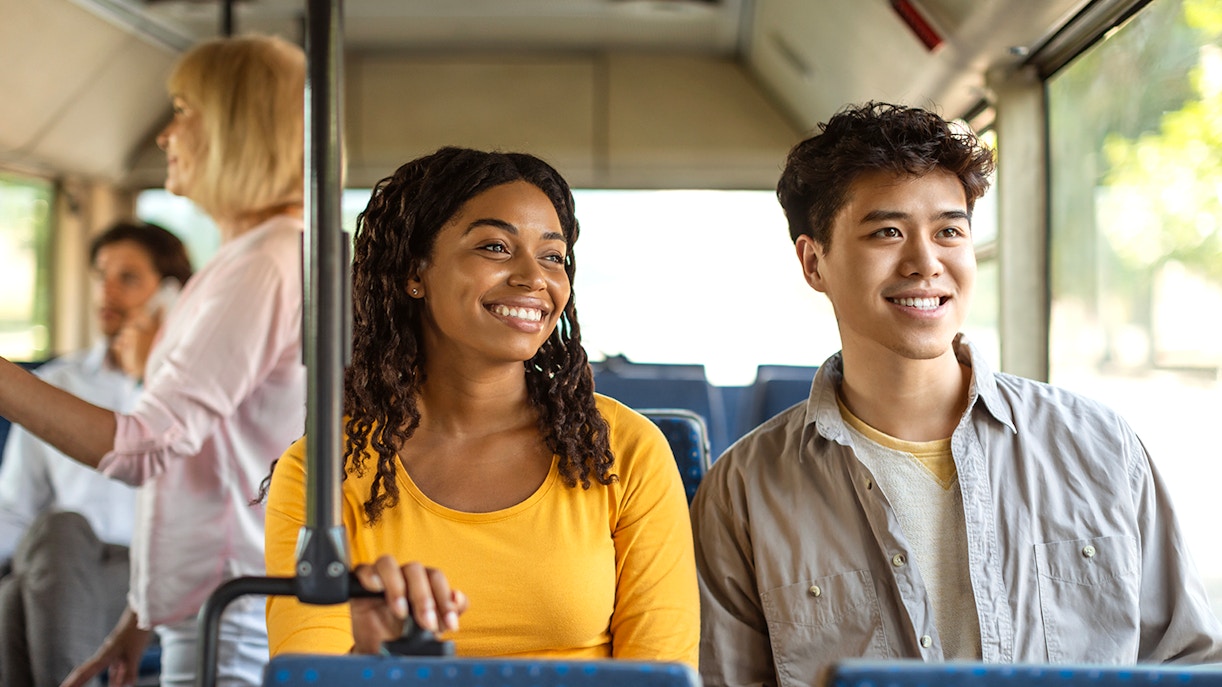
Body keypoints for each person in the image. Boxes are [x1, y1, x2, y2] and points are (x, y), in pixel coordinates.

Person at [690, 101, 1222, 686]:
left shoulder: (1101, 447)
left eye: (949, 231)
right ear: (814, 262)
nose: (925, 263)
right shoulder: (744, 491)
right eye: (888, 232)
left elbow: (1188, 666)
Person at [263, 147, 699, 665]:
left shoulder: (626, 451)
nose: (533, 277)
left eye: (553, 257)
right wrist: (371, 654)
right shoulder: (322, 473)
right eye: (495, 247)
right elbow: (311, 674)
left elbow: (663, 672)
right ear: (414, 271)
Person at [0, 35, 306, 687]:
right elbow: (209, 468)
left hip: (232, 615)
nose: (166, 135)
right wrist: (139, 617)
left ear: (235, 129)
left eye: (183, 111)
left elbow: (147, 448)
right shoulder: (247, 259)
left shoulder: (260, 266)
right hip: (205, 604)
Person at [0, 220, 192, 687]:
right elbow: (16, 508)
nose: (107, 291)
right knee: (60, 529)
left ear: (170, 294)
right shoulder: (57, 383)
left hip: (140, 570)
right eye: (101, 275)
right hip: (59, 557)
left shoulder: (189, 390)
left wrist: (148, 370)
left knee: (11, 602)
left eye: (128, 278)